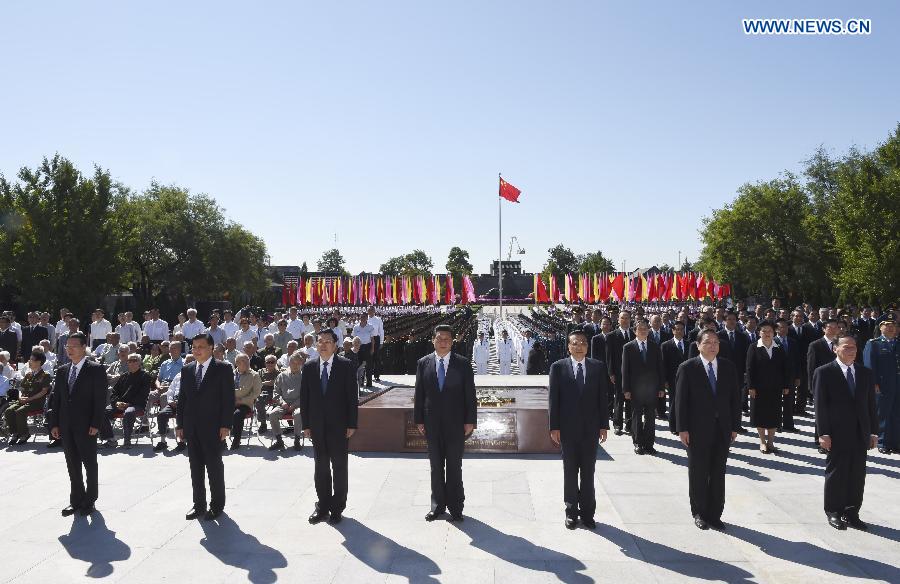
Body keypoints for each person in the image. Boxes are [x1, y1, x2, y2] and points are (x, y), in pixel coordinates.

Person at [674, 329, 741, 530]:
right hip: (696, 430)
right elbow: (680, 401)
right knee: (698, 472)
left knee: (718, 472)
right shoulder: (687, 368)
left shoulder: (728, 367)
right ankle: (700, 512)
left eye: (716, 342)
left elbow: (735, 399)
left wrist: (735, 426)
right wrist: (682, 429)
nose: (713, 346)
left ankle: (715, 514)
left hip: (722, 429)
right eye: (708, 342)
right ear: (698, 345)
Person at [815, 334, 878, 530]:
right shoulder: (824, 372)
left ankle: (852, 512)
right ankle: (834, 511)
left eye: (854, 348)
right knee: (837, 473)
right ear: (835, 349)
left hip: (860, 432)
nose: (851, 351)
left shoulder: (865, 373)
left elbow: (870, 405)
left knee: (857, 474)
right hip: (836, 432)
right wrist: (823, 433)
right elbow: (820, 405)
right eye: (846, 347)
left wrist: (873, 432)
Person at [414, 325, 477, 523]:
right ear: (433, 340)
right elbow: (419, 394)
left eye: (447, 339)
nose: (443, 342)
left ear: (452, 341)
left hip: (456, 424)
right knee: (435, 466)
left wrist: (470, 421)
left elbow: (470, 395)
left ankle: (456, 506)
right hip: (431, 424)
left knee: (454, 466)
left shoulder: (463, 364)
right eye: (439, 338)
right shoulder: (423, 363)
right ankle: (437, 506)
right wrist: (419, 419)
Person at [548, 329, 609, 530]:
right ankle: (571, 512)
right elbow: (553, 400)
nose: (579, 346)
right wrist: (554, 427)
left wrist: (603, 425)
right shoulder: (558, 368)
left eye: (582, 342)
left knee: (588, 472)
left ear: (587, 346)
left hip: (591, 430)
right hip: (567, 429)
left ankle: (588, 513)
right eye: (575, 343)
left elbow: (602, 398)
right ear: (568, 346)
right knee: (570, 471)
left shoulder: (598, 367)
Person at [300, 329, 358, 525]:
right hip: (317, 426)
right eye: (320, 341)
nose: (323, 344)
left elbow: (352, 397)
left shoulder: (346, 366)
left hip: (340, 426)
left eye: (328, 341)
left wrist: (352, 423)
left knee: (339, 467)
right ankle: (322, 506)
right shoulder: (308, 367)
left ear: (335, 345)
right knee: (321, 467)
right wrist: (306, 424)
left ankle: (337, 508)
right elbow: (305, 398)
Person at [175, 333, 234, 521]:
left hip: (214, 427)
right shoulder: (187, 370)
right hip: (192, 427)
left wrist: (226, 424)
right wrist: (180, 425)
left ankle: (217, 505)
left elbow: (228, 399)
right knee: (195, 467)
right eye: (194, 347)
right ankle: (198, 504)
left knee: (214, 467)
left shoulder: (223, 369)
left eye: (201, 346)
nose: (196, 350)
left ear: (211, 348)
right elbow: (182, 399)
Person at [47, 332, 106, 517]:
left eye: (73, 346)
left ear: (83, 347)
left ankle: (90, 499)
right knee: (72, 464)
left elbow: (100, 399)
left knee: (89, 464)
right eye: (67, 346)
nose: (69, 349)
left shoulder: (96, 369)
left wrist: (96, 423)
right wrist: (54, 423)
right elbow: (57, 399)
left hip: (87, 425)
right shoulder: (63, 370)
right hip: (66, 425)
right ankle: (76, 499)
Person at [746, 321, 792, 454]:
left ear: (774, 333)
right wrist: (751, 386)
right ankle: (762, 442)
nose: (767, 334)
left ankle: (771, 442)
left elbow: (785, 368)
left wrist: (786, 385)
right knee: (760, 414)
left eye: (770, 331)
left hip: (775, 387)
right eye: (764, 331)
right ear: (759, 332)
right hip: (758, 388)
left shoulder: (779, 347)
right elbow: (749, 368)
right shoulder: (753, 347)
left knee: (774, 414)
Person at [622, 319, 665, 455]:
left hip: (652, 390)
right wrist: (626, 389)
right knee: (636, 417)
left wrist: (661, 388)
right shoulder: (628, 347)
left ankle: (649, 444)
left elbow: (660, 368)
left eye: (645, 328)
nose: (643, 331)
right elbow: (625, 370)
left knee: (650, 418)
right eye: (640, 329)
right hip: (635, 390)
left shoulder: (654, 346)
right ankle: (638, 443)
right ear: (635, 331)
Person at [98, 353, 152, 449]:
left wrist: (128, 404)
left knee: (129, 412)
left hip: (136, 405)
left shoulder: (145, 376)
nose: (131, 363)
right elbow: (114, 392)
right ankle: (110, 439)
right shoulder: (124, 376)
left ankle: (127, 440)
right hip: (120, 404)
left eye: (134, 360)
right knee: (102, 412)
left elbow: (143, 395)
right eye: (129, 361)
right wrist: (117, 402)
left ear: (139, 362)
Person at [863, 319, 899, 454]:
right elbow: (869, 366)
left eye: (893, 325)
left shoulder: (898, 343)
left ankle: (895, 442)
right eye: (888, 325)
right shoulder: (874, 344)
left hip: (898, 385)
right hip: (882, 385)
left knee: (896, 414)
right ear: (881, 327)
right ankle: (882, 442)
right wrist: (873, 383)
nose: (891, 328)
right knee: (882, 414)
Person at [4, 350, 51, 445]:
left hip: (36, 402)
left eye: (32, 360)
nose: (29, 361)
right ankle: (15, 433)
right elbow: (21, 388)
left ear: (39, 362)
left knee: (20, 411)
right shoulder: (28, 374)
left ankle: (24, 434)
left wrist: (30, 399)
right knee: (9, 411)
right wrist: (20, 397)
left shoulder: (45, 375)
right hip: (24, 400)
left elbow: (44, 391)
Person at [809, 319, 840, 452]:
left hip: (838, 385)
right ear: (824, 329)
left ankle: (834, 440)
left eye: (835, 327)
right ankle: (820, 441)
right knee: (822, 414)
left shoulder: (840, 344)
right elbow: (811, 368)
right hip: (821, 385)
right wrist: (812, 387)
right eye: (830, 327)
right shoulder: (815, 345)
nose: (833, 330)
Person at [268, 351, 305, 451]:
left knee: (298, 414)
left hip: (298, 405)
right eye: (293, 362)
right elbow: (276, 392)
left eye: (298, 363)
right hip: (283, 403)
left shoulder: (304, 377)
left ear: (301, 364)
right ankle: (279, 440)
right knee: (272, 414)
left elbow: (306, 395)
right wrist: (282, 402)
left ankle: (297, 440)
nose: (295, 365)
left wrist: (295, 404)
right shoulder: (282, 376)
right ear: (289, 363)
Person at [154, 356, 192, 452]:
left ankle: (182, 442)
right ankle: (163, 441)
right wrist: (170, 401)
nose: (187, 363)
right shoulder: (179, 375)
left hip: (188, 404)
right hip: (174, 402)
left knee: (182, 415)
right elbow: (171, 390)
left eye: (190, 361)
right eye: (186, 361)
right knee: (162, 414)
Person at [606, 311, 632, 435]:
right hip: (617, 373)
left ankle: (629, 424)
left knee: (630, 400)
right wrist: (611, 373)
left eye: (627, 318)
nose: (625, 320)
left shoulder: (634, 334)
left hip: (632, 374)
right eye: (623, 318)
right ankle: (617, 425)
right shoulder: (611, 336)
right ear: (618, 320)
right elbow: (609, 357)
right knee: (619, 400)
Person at [661, 322, 689, 435]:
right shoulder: (666, 345)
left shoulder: (689, 344)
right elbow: (663, 364)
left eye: (682, 329)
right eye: (677, 329)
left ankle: (684, 425)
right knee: (674, 402)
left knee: (686, 402)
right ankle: (674, 426)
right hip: (672, 379)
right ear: (673, 331)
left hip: (687, 379)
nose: (680, 331)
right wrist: (665, 380)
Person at [231, 353, 262, 449]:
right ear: (237, 363)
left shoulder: (254, 375)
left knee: (237, 414)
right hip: (230, 402)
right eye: (243, 361)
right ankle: (221, 440)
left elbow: (256, 393)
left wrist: (241, 400)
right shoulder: (231, 374)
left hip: (245, 404)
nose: (247, 363)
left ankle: (236, 440)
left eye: (247, 360)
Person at [351, 313, 376, 388]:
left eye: (364, 317)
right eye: (361, 317)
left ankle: (369, 382)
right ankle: (360, 382)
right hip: (359, 347)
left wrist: (372, 348)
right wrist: (354, 348)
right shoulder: (356, 327)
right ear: (360, 318)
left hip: (368, 346)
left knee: (369, 366)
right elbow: (354, 339)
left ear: (367, 318)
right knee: (359, 365)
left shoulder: (370, 327)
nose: (363, 318)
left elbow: (372, 339)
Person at [367, 306, 385, 382]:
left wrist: (381, 342)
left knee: (376, 358)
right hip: (367, 339)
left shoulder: (378, 319)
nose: (370, 312)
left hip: (376, 339)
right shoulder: (365, 319)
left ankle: (377, 375)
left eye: (371, 310)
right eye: (369, 310)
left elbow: (381, 331)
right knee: (368, 358)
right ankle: (368, 375)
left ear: (374, 311)